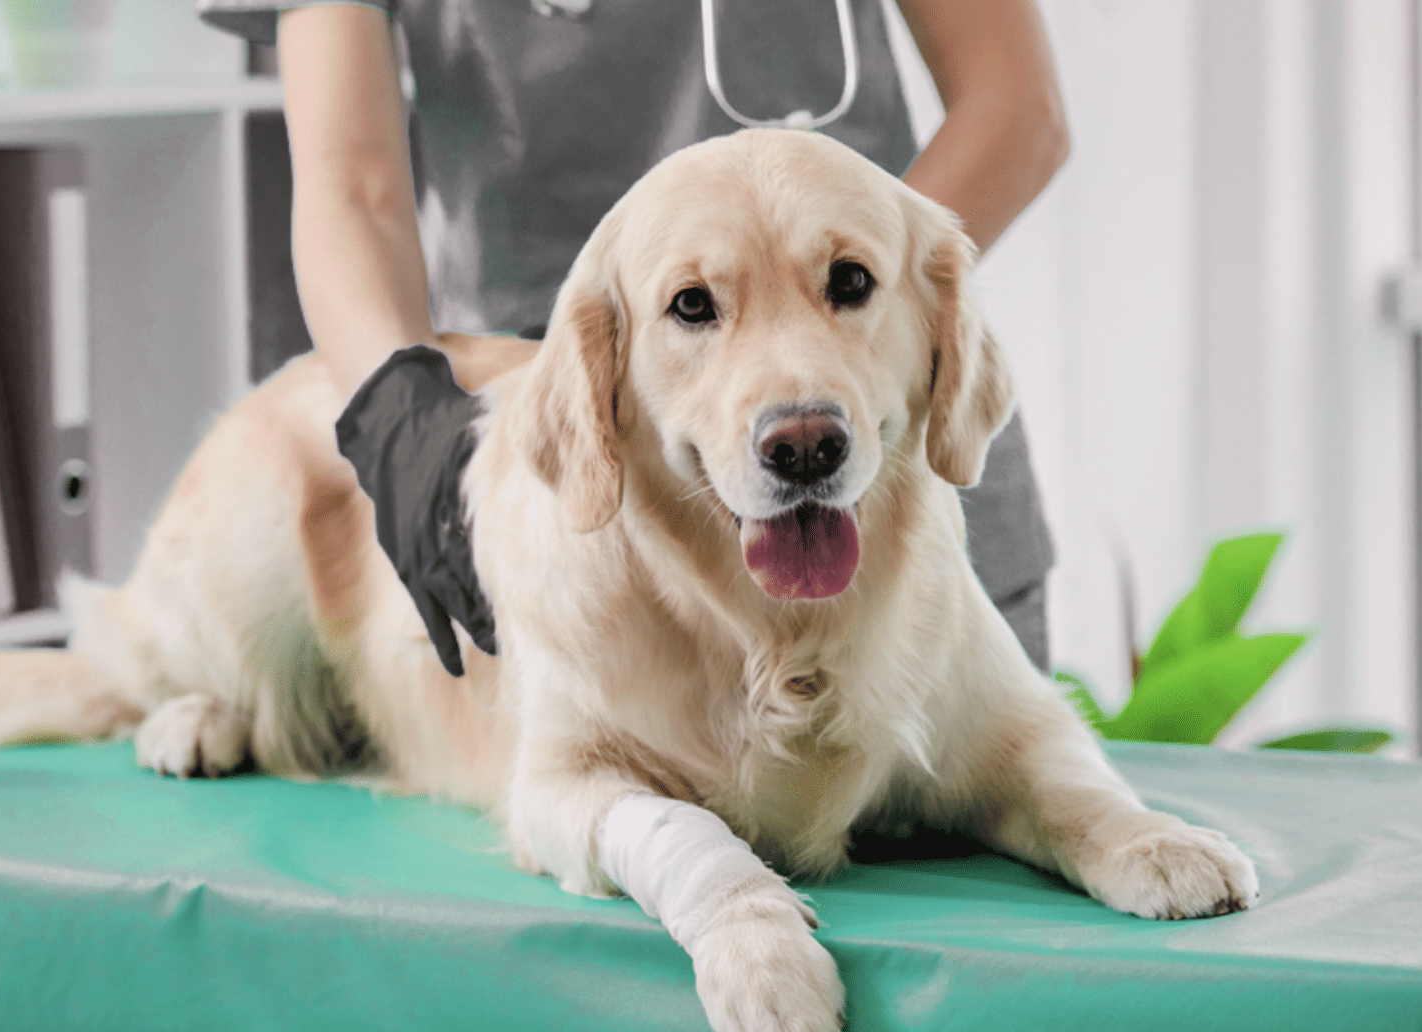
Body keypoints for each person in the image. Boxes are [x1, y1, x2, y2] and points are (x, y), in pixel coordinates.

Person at [197, 0, 1066, 671]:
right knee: (630, 854)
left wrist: (862, 292)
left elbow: (1016, 113)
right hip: (571, 484)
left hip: (887, 506)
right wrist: (402, 426)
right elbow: (351, 187)